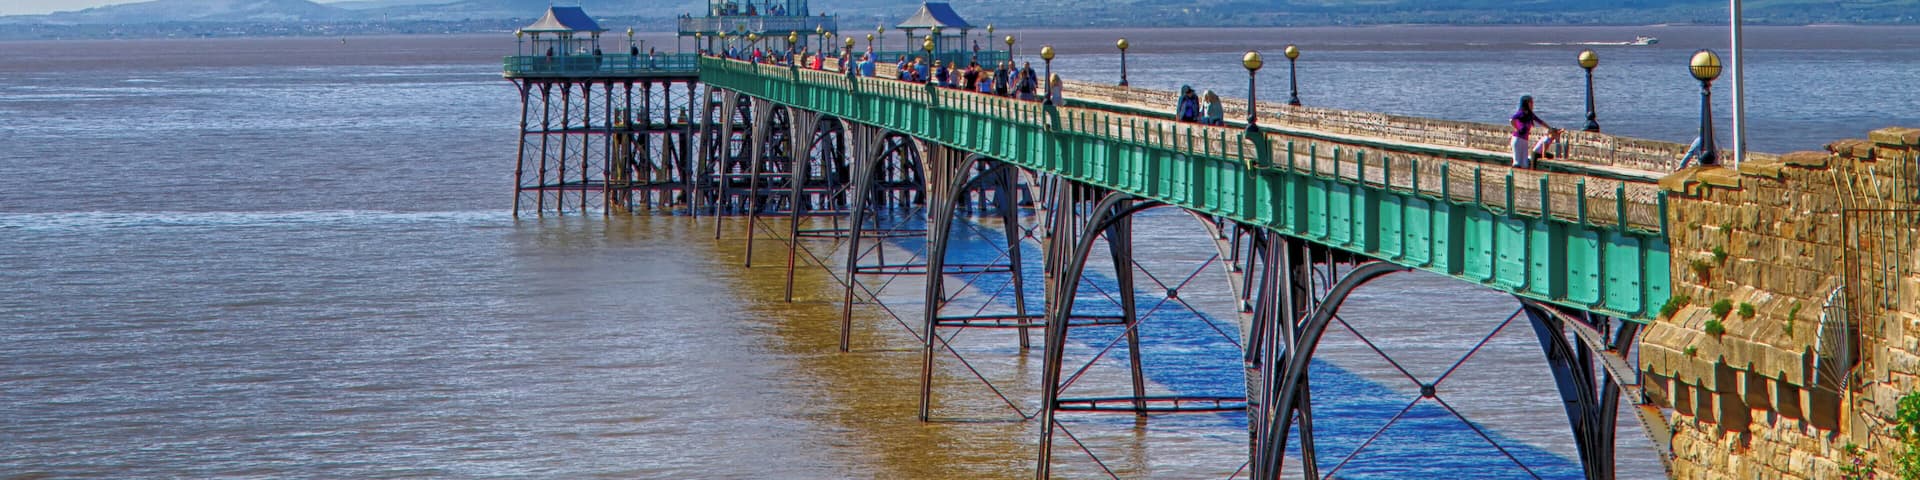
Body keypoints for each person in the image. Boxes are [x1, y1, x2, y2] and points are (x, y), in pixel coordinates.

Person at [1509, 95, 1555, 169]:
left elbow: (1540, 121)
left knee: (1525, 164)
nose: (1532, 104)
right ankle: (1513, 176)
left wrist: (1550, 128)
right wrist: (1516, 128)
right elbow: (1511, 119)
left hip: (1524, 140)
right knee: (1517, 162)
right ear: (1526, 103)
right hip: (1517, 139)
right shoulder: (1521, 113)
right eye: (1531, 102)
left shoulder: (1530, 114)